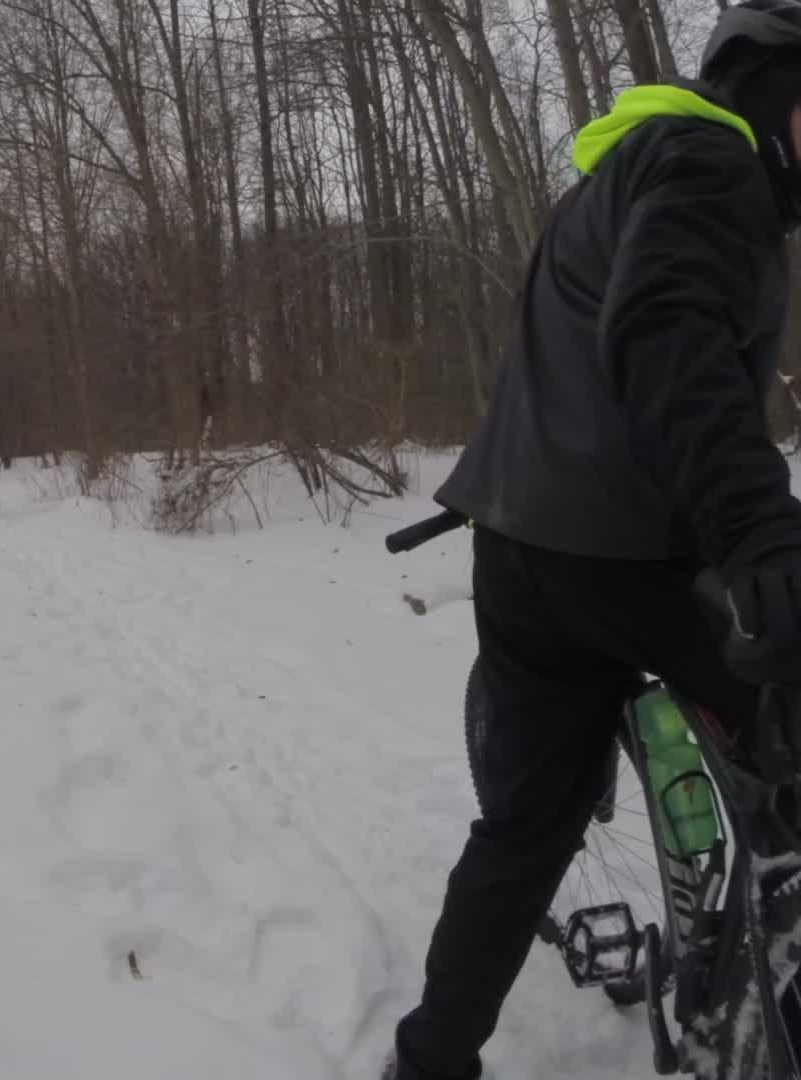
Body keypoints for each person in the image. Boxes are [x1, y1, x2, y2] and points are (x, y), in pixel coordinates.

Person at [386, 3, 801, 1077]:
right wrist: (759, 529)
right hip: (629, 554)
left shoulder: (615, 174)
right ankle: (751, 1013)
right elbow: (667, 332)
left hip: (521, 543)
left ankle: (429, 1062)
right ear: (772, 80)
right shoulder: (715, 164)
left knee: (524, 830)